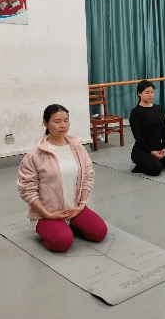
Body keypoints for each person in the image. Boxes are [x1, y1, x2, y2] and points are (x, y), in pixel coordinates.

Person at [17, 105, 107, 252]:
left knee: (99, 233)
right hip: (47, 213)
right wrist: (48, 214)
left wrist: (82, 204)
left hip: (74, 208)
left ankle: (69, 224)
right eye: (57, 121)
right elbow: (27, 190)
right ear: (45, 123)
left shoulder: (77, 147)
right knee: (62, 242)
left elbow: (88, 176)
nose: (63, 125)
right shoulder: (35, 155)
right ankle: (54, 228)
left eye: (66, 120)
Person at [129, 80, 165, 176]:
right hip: (142, 151)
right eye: (147, 92)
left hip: (158, 148)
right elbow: (138, 136)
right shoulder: (135, 112)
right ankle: (141, 166)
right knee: (156, 169)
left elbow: (164, 130)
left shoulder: (158, 109)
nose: (150, 95)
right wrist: (151, 151)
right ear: (139, 93)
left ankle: (156, 160)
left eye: (152, 92)